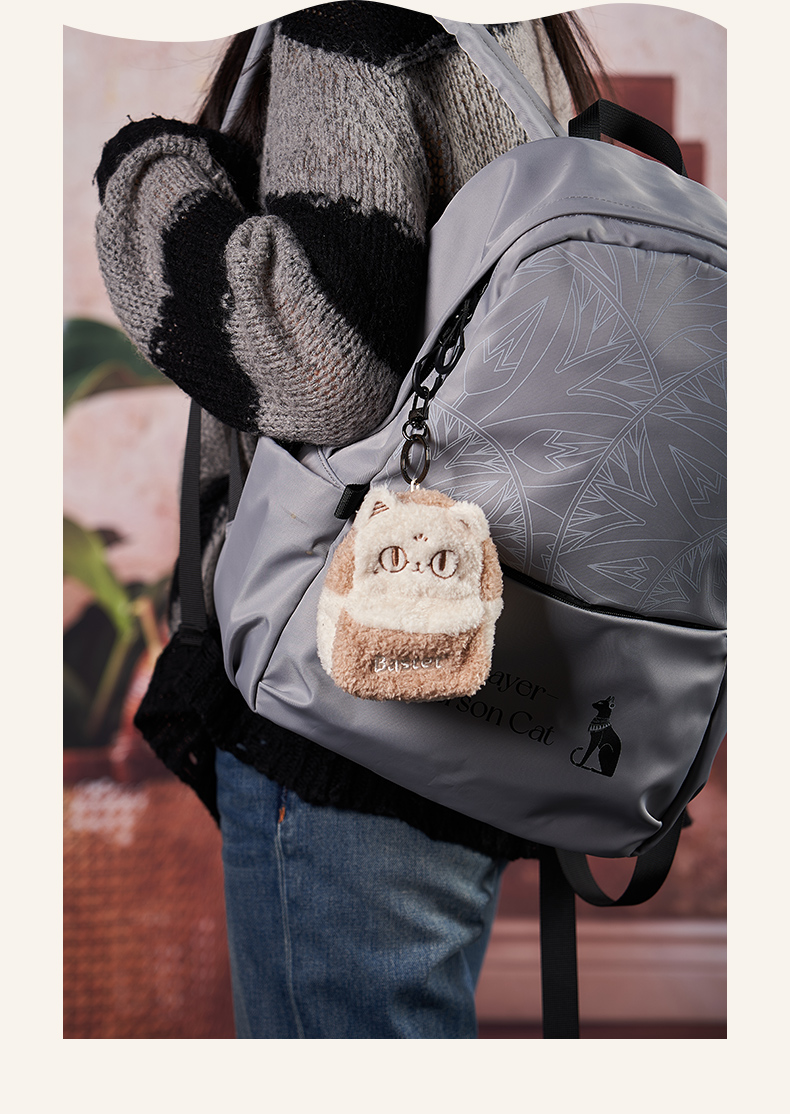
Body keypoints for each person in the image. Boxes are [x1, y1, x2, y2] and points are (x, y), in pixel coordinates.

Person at [94, 1, 603, 1039]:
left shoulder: (356, 30)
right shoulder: (513, 42)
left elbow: (323, 364)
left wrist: (147, 176)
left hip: (354, 697)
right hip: (473, 671)